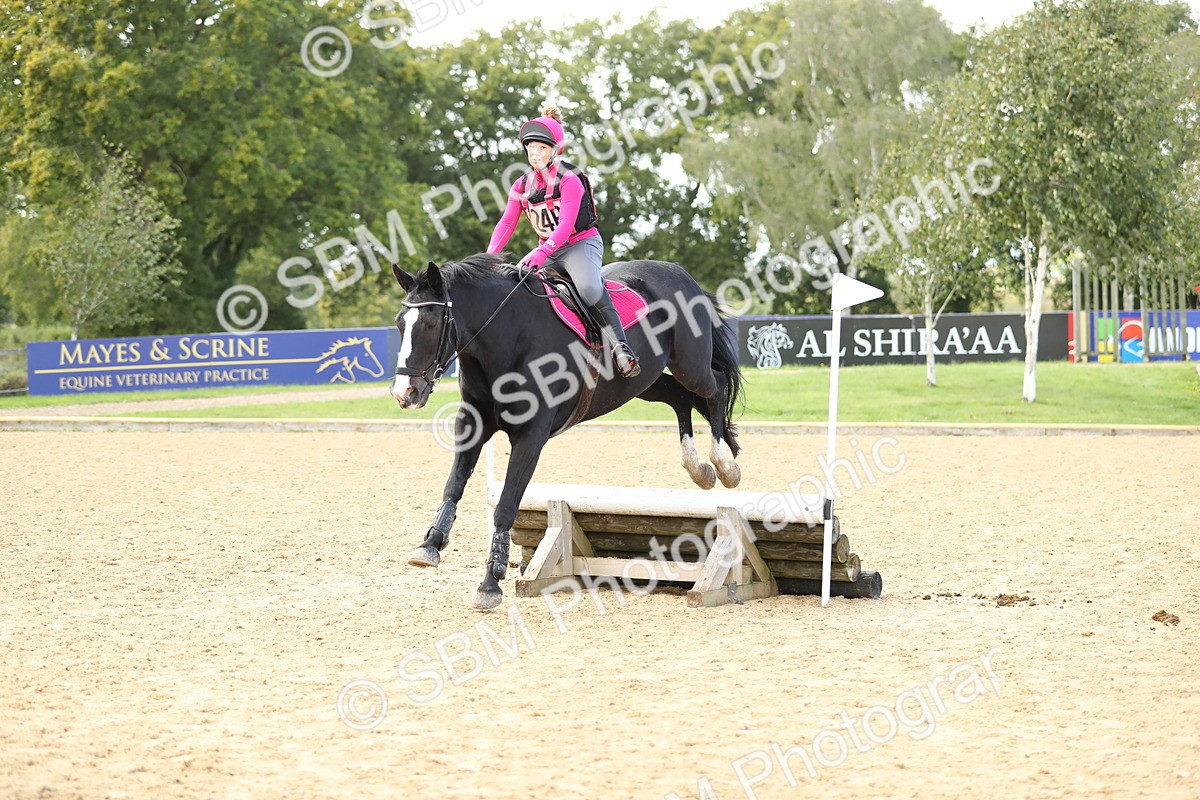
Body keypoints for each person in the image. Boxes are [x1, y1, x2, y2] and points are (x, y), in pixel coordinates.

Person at [486, 105, 640, 378]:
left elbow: (566, 225)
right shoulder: (521, 186)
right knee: (514, 287)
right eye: (530, 147)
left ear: (555, 150)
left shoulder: (570, 180)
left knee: (589, 289)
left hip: (580, 244)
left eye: (542, 148)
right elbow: (507, 223)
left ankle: (620, 347)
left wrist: (542, 252)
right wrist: (489, 259)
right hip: (548, 250)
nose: (535, 154)